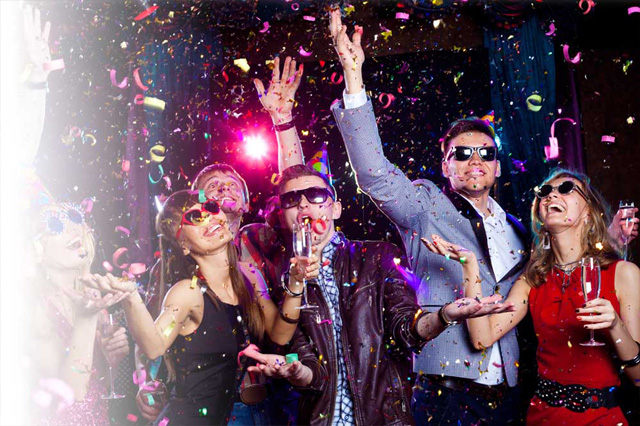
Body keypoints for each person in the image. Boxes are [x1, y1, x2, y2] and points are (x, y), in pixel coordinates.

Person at [328, 9, 528, 424]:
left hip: (509, 390)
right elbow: (374, 173)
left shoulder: (520, 229)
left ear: (498, 167)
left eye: (486, 153)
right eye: (462, 153)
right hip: (446, 389)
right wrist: (353, 77)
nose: (475, 160)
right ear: (445, 166)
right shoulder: (426, 204)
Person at [241, 164, 515, 425]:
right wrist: (295, 371)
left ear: (335, 209)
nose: (303, 204)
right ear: (283, 215)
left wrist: (445, 315)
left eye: (315, 195)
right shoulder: (285, 282)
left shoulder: (377, 256)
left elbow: (405, 329)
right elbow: (312, 372)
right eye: (291, 199)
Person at [423, 168, 640, 425]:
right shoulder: (533, 280)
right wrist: (469, 266)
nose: (551, 195)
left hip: (600, 417)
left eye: (566, 189)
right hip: (542, 417)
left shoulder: (623, 274)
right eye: (545, 191)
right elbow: (482, 338)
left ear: (589, 213)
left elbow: (638, 378)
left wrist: (615, 326)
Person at [85, 190, 311, 425]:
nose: (210, 218)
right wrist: (131, 296)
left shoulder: (250, 275)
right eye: (195, 217)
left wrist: (296, 281)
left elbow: (280, 334)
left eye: (211, 208)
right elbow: (153, 346)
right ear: (183, 243)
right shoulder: (188, 292)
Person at [30, 201, 131, 425]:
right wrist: (87, 319)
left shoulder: (92, 298)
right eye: (56, 224)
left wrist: (110, 359)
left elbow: (96, 385)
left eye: (76, 218)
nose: (74, 228)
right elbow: (71, 393)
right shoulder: (35, 307)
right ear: (37, 249)